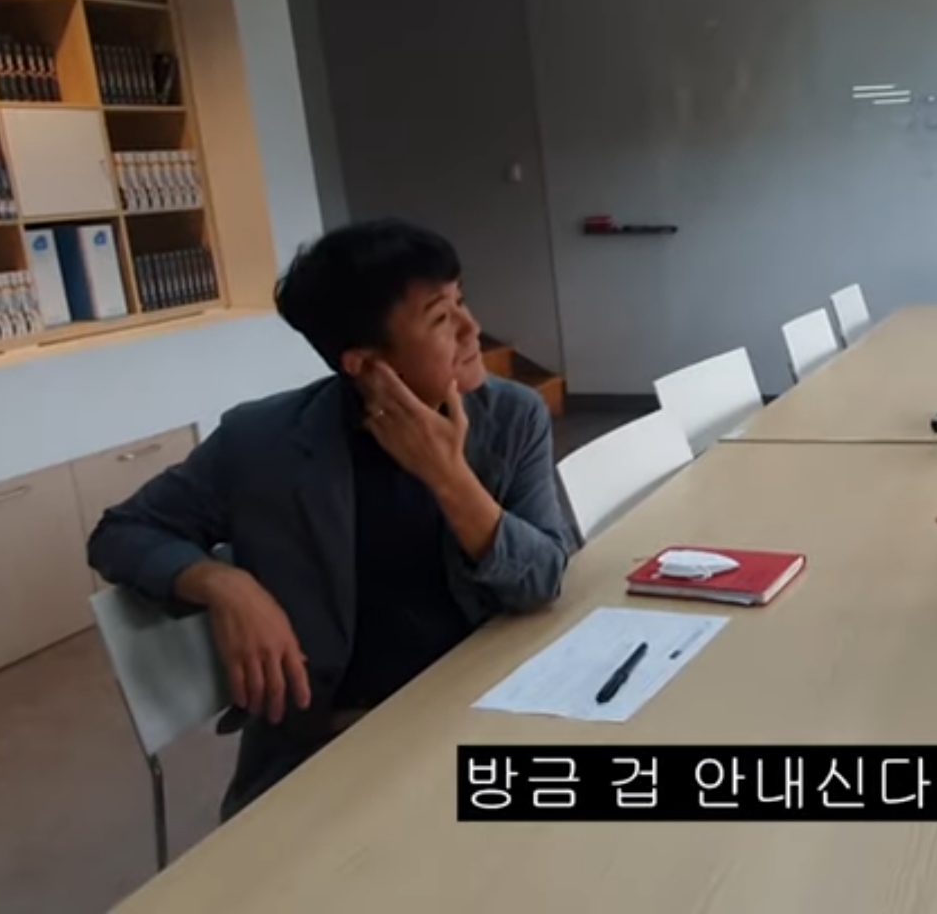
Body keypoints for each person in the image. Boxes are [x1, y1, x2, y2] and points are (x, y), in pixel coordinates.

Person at [90, 218, 579, 819]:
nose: (471, 327)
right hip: (339, 747)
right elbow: (121, 532)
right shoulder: (262, 442)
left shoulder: (511, 417)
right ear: (365, 364)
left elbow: (543, 578)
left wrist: (447, 476)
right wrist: (223, 583)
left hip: (489, 706)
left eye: (461, 300)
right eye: (439, 317)